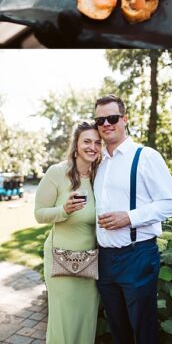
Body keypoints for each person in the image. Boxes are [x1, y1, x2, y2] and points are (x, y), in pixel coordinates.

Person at [92, 94, 172, 344]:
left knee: (144, 329)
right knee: (117, 329)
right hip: (105, 259)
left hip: (137, 255)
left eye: (112, 118)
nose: (106, 124)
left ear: (125, 119)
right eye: (100, 120)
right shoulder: (99, 163)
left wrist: (129, 218)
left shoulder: (145, 156)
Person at [34, 121, 102, 344]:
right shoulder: (57, 172)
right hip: (60, 262)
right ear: (76, 144)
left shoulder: (99, 176)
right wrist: (63, 210)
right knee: (63, 322)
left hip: (90, 265)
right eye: (87, 141)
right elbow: (39, 214)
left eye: (97, 142)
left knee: (86, 321)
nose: (92, 147)